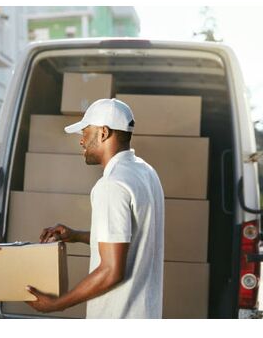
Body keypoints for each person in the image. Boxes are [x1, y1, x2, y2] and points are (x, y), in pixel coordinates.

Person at [26, 98, 165, 319]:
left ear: (103, 133)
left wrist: (56, 304)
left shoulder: (111, 185)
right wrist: (77, 235)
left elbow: (111, 271)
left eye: (85, 132)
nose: (81, 141)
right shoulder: (146, 172)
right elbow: (130, 239)